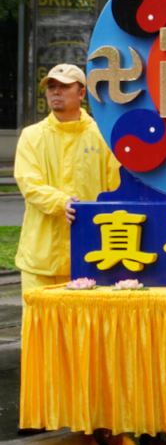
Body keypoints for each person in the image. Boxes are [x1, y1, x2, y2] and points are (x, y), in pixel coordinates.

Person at [15, 65, 120, 297]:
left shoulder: (103, 137)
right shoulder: (31, 136)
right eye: (51, 86)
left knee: (85, 329)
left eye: (64, 86)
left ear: (82, 94)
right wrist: (62, 202)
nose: (56, 92)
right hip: (40, 257)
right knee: (38, 328)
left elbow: (116, 188)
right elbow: (29, 184)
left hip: (91, 254)